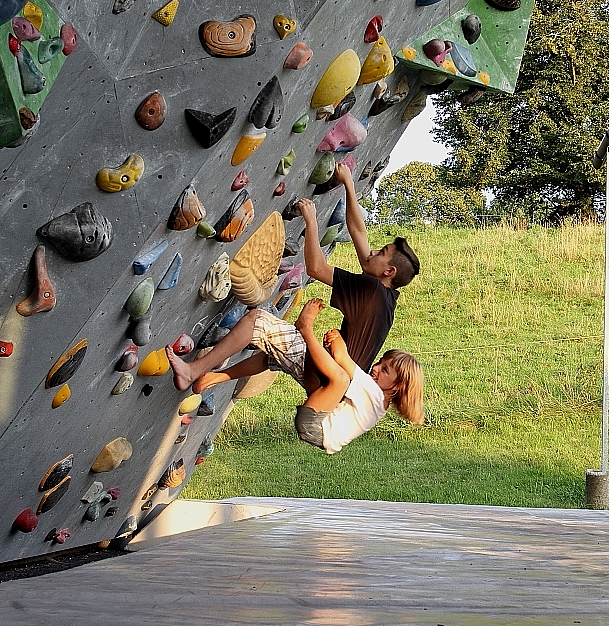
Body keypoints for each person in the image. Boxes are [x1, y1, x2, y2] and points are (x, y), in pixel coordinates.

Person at [169, 161, 419, 394]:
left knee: (257, 321)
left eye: (382, 252)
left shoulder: (371, 289)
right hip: (333, 387)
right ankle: (217, 377)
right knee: (280, 347)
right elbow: (358, 232)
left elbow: (317, 269)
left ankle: (192, 371)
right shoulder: (385, 296)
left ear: (389, 272)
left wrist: (311, 222)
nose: (373, 251)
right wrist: (349, 185)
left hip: (324, 373)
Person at [288, 298, 423, 453]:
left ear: (398, 385)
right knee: (267, 359)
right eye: (380, 362)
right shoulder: (381, 404)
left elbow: (340, 356)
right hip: (319, 431)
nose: (376, 368)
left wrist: (336, 335)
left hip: (314, 426)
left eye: (385, 370)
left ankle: (305, 329)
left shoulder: (374, 394)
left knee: (341, 379)